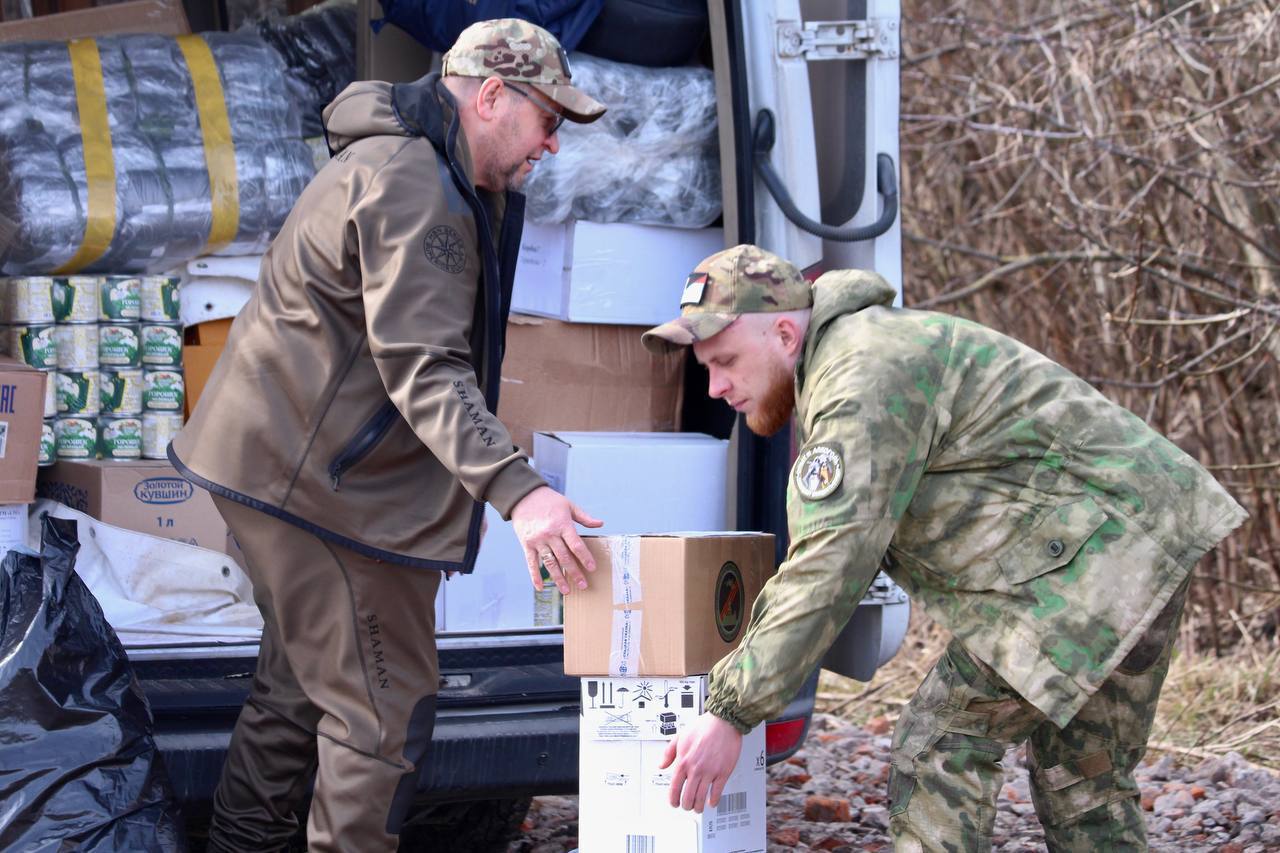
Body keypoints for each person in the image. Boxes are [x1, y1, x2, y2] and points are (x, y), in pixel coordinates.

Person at [642, 244, 1247, 851]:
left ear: (782, 332)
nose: (717, 387)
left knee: (939, 746)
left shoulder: (860, 379)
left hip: (1096, 559)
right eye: (706, 368)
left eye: (725, 361)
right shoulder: (867, 347)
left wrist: (728, 711)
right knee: (1083, 778)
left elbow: (830, 563)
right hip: (1149, 535)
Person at [168, 19, 606, 852]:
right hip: (323, 488)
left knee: (299, 685)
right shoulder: (416, 184)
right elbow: (426, 367)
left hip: (278, 464)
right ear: (490, 96)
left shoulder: (401, 160)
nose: (551, 145)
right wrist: (522, 492)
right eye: (549, 121)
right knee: (382, 705)